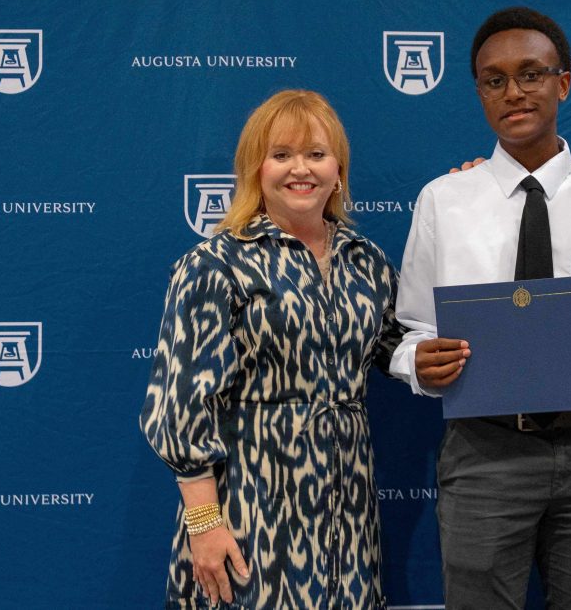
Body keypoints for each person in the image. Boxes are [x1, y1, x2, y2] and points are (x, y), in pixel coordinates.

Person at [389, 6, 571, 610]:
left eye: (531, 74)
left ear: (563, 82)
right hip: (484, 455)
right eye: (494, 79)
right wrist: (416, 364)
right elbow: (411, 329)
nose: (514, 92)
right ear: (479, 92)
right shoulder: (444, 200)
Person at [140, 89, 403, 609]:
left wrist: (476, 201)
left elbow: (406, 350)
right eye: (281, 155)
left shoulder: (367, 261)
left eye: (316, 154)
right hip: (249, 505)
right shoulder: (215, 263)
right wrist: (204, 524)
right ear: (254, 169)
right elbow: (180, 406)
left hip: (348, 514)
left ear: (339, 169)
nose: (299, 169)